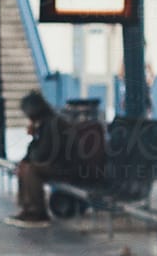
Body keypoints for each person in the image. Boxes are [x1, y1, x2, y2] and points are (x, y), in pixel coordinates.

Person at [8, 90, 105, 227]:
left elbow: (41, 155)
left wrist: (34, 136)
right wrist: (25, 158)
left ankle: (38, 212)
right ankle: (27, 209)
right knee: (25, 167)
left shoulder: (52, 124)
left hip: (69, 169)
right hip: (60, 166)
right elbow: (35, 155)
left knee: (32, 170)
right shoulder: (46, 123)